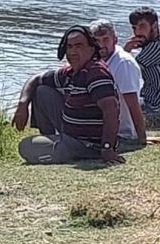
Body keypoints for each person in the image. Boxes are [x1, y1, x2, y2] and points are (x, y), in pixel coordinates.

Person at [13, 26, 124, 166]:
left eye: (79, 46)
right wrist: (22, 105)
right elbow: (35, 79)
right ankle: (51, 139)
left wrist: (107, 148)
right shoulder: (70, 72)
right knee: (41, 91)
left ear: (91, 48)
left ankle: (75, 152)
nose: (73, 51)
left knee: (25, 147)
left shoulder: (96, 73)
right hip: (71, 133)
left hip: (88, 144)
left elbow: (111, 110)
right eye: (70, 47)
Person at [89, 19, 147, 146]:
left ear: (115, 40)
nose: (101, 45)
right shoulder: (96, 59)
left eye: (105, 39)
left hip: (121, 133)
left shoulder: (123, 63)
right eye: (97, 41)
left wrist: (141, 138)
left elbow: (132, 103)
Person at [123, 7, 160, 126]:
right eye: (134, 28)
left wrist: (126, 50)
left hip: (156, 109)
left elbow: (124, 71)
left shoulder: (154, 48)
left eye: (142, 27)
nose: (137, 32)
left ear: (154, 26)